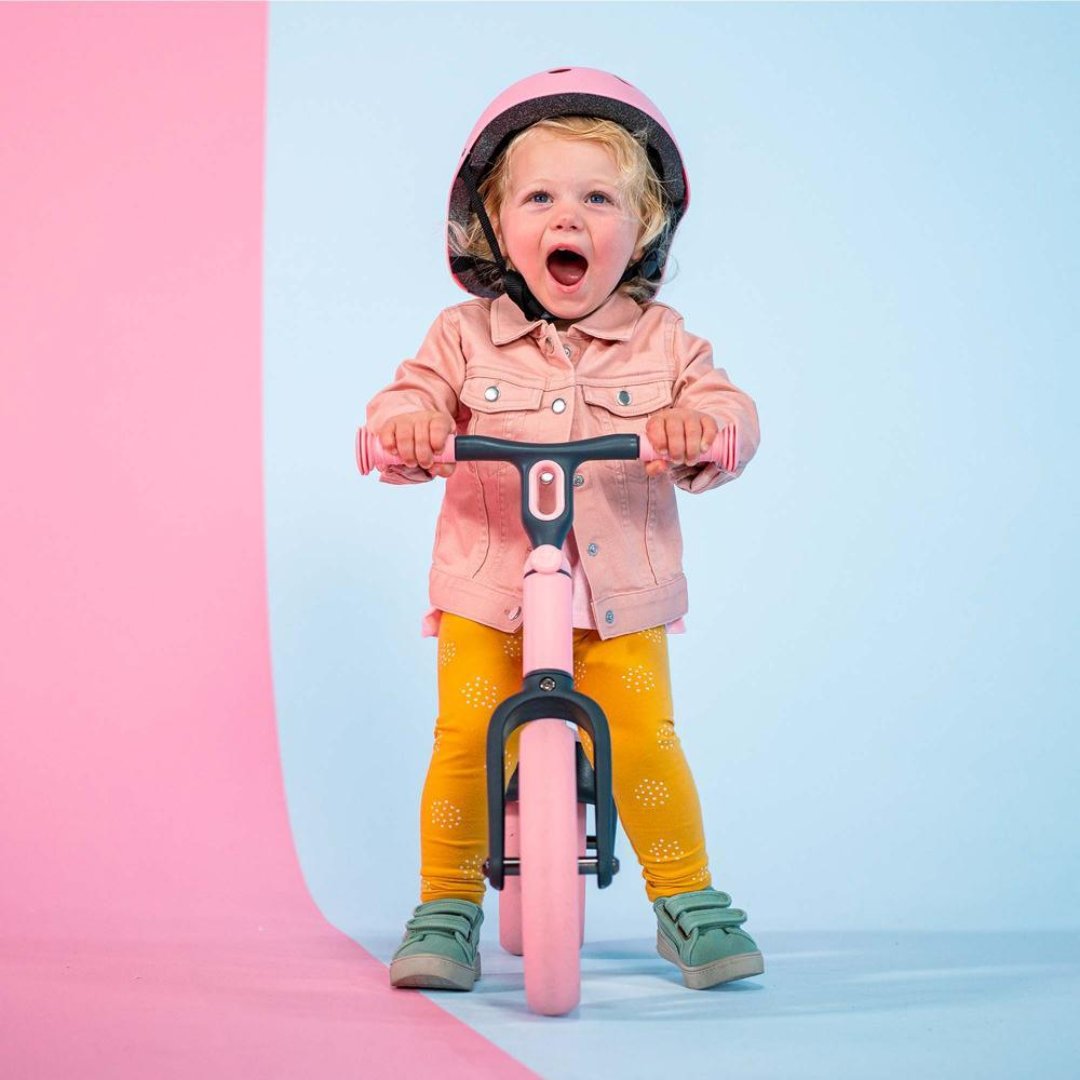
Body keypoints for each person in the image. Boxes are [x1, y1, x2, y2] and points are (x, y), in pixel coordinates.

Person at [366, 68, 762, 993]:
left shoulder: (665, 344)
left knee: (645, 740)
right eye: (539, 196)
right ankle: (447, 906)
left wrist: (702, 429)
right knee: (465, 737)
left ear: (643, 228)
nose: (567, 217)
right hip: (488, 588)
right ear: (496, 226)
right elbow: (406, 399)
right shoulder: (463, 337)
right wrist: (409, 427)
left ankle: (688, 899)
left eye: (597, 197)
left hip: (620, 601)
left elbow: (727, 405)